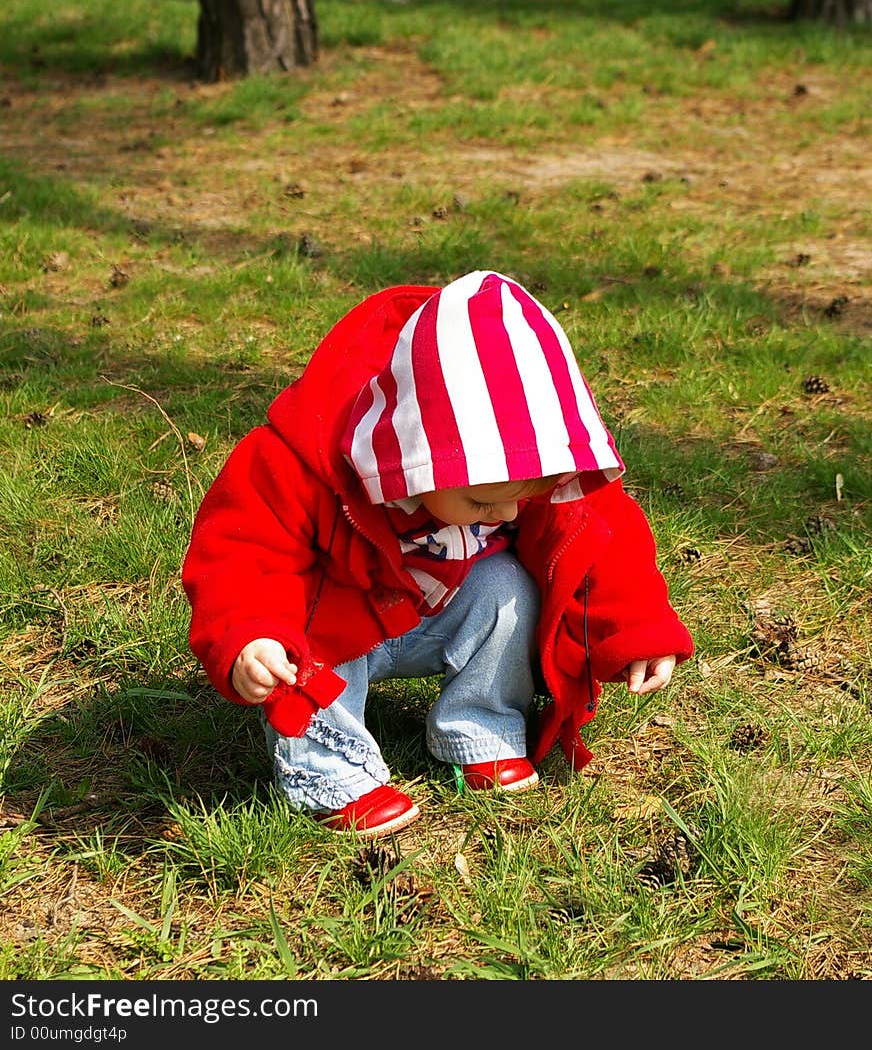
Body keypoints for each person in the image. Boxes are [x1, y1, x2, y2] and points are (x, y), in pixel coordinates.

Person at [182, 270, 694, 838]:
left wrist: (637, 628)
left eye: (520, 501)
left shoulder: (526, 478)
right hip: (336, 629)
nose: (504, 515)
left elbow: (604, 537)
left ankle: (478, 725)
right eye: (481, 500)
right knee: (304, 615)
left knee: (505, 587)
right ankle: (330, 773)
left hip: (434, 613)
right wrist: (250, 636)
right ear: (413, 452)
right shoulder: (299, 462)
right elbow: (241, 553)